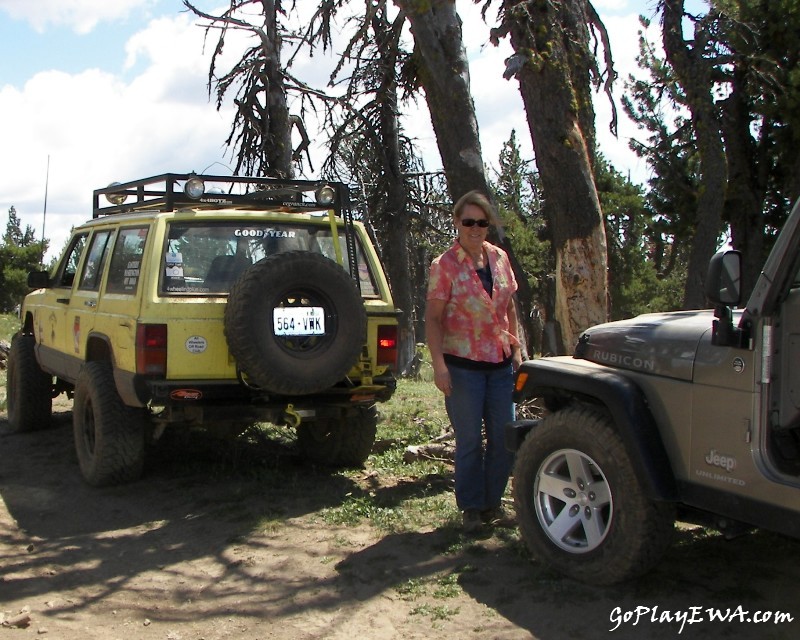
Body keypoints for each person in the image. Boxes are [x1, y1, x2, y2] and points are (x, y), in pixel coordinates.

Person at [425, 190, 523, 533]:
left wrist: (517, 349)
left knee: (503, 438)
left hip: (499, 365)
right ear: (456, 223)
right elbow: (433, 320)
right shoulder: (445, 265)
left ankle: (492, 504)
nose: (475, 228)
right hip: (463, 367)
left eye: (482, 222)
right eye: (469, 222)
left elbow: (509, 305)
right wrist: (439, 366)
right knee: (469, 441)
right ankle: (470, 508)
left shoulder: (499, 258)